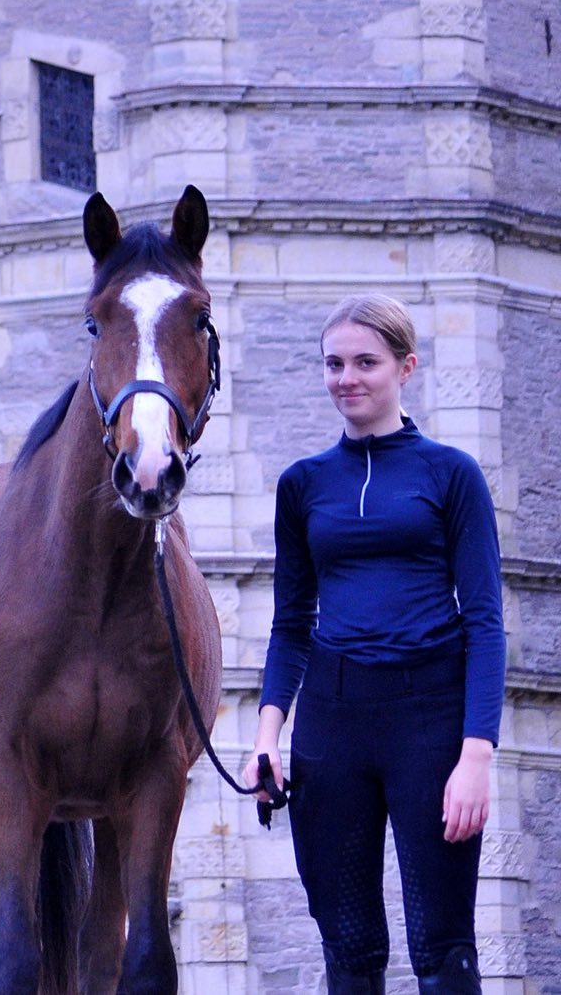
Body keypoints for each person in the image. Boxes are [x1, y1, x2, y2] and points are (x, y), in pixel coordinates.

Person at [242, 294, 503, 995]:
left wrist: (476, 755)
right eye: (333, 364)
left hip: (432, 723)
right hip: (331, 723)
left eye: (365, 362)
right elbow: (290, 623)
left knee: (441, 945)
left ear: (405, 367)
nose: (346, 378)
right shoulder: (302, 486)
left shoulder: (451, 475)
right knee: (350, 950)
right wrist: (267, 738)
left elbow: (484, 622)